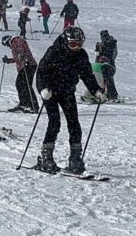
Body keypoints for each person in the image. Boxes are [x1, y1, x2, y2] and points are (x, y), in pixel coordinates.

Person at [34, 27, 105, 174]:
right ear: (66, 42)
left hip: (67, 91)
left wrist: (96, 90)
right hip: (51, 92)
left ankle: (75, 159)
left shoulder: (80, 55)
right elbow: (41, 71)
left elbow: (87, 74)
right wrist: (43, 89)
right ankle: (46, 156)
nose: (77, 47)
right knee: (54, 122)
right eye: (73, 44)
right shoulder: (53, 51)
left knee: (74, 123)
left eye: (80, 44)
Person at [2, 34, 39, 113]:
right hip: (27, 65)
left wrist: (22, 56)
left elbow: (21, 50)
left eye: (7, 45)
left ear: (8, 41)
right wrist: (8, 60)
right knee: (22, 85)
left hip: (28, 65)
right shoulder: (15, 43)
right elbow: (18, 58)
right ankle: (25, 104)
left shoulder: (16, 41)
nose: (8, 47)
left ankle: (32, 105)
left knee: (24, 85)